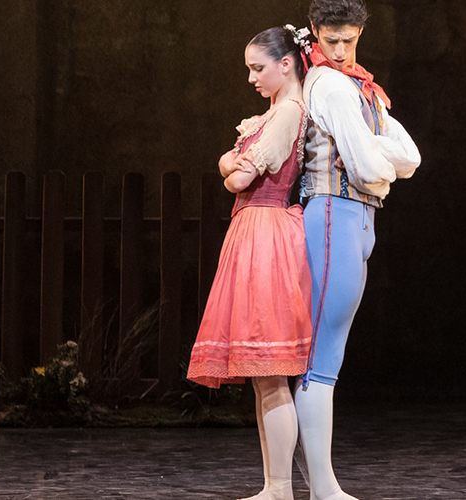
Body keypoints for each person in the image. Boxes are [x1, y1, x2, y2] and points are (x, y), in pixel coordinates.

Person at [296, 1, 422, 498]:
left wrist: (375, 157)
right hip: (333, 212)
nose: (342, 50)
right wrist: (376, 160)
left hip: (358, 218)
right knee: (322, 357)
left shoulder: (362, 87)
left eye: (350, 40)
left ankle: (308, 483)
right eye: (331, 41)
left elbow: (411, 156)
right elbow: (370, 169)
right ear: (314, 33)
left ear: (361, 33)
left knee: (331, 354)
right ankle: (323, 487)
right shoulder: (327, 84)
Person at [187, 25, 314, 500]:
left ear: (286, 64)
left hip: (267, 233)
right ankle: (272, 485)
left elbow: (239, 180)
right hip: (254, 232)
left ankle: (280, 486)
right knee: (264, 378)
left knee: (271, 370)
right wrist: (230, 164)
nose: (251, 78)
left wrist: (231, 165)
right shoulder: (271, 114)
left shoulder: (286, 114)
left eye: (257, 68)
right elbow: (231, 168)